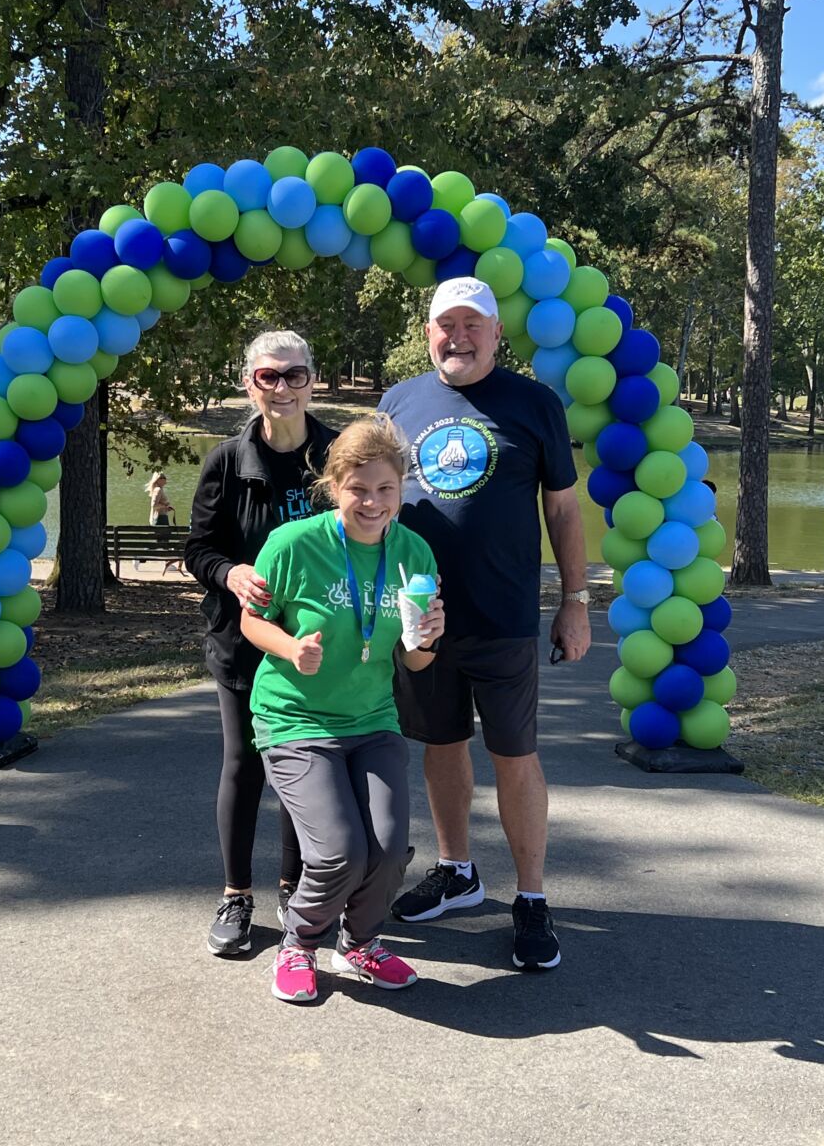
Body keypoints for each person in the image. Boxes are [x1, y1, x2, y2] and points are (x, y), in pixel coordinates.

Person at [378, 276, 591, 972]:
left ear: (497, 334)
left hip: (503, 617)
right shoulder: (398, 403)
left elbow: (562, 510)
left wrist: (575, 601)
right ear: (428, 331)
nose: (458, 336)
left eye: (474, 325)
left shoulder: (533, 403)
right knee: (440, 746)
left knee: (514, 756)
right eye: (446, 324)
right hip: (422, 620)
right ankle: (457, 871)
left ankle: (530, 897)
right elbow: (369, 503)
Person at [240, 414, 443, 1002]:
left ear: (402, 488)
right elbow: (252, 620)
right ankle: (299, 943)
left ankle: (359, 943)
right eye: (359, 489)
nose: (373, 502)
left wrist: (429, 639)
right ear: (334, 485)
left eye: (386, 489)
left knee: (386, 849)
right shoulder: (294, 543)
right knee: (338, 852)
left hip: (373, 718)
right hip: (295, 719)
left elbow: (415, 661)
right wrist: (290, 647)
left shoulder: (414, 552)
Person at [184, 330, 339, 956]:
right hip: (242, 642)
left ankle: (294, 888)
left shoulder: (337, 452)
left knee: (304, 768)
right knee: (246, 764)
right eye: (268, 376)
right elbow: (198, 547)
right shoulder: (226, 459)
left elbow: (372, 520)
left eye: (294, 375)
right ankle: (236, 896)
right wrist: (230, 572)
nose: (282, 388)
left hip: (317, 642)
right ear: (250, 383)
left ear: (312, 380)